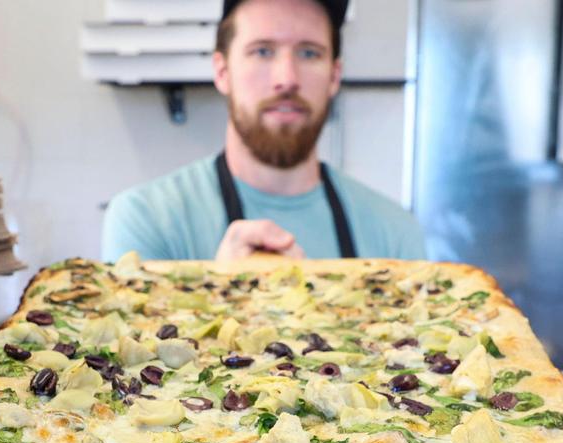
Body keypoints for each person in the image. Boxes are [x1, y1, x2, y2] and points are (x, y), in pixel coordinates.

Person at [101, 0, 426, 262]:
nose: (286, 78)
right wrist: (221, 295)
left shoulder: (395, 236)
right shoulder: (147, 220)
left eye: (309, 53)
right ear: (222, 71)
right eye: (263, 51)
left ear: (334, 76)